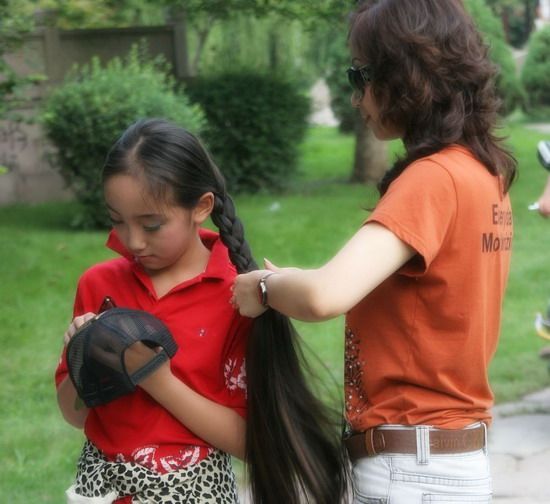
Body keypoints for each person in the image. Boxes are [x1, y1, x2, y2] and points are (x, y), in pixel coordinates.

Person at [233, 0, 517, 503]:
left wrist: (262, 287)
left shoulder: (431, 179)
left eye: (360, 74)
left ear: (407, 76)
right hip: (454, 462)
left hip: (411, 469)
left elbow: (324, 296)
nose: (355, 96)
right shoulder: (483, 174)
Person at [55, 119, 347, 504]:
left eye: (152, 224)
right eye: (117, 221)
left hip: (196, 493)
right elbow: (75, 414)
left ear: (201, 207)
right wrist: (83, 359)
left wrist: (155, 378)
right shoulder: (98, 284)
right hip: (99, 491)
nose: (133, 241)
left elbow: (251, 442)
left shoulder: (239, 296)